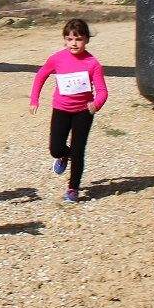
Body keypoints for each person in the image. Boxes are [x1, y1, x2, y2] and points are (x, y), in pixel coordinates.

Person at [29, 18, 108, 203]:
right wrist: (34, 99)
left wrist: (96, 104)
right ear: (65, 40)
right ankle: (63, 156)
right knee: (55, 148)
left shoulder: (93, 63)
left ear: (86, 40)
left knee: (79, 150)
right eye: (70, 39)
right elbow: (41, 75)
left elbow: (103, 91)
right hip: (61, 110)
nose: (74, 43)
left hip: (83, 112)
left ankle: (73, 188)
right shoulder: (57, 58)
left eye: (79, 39)